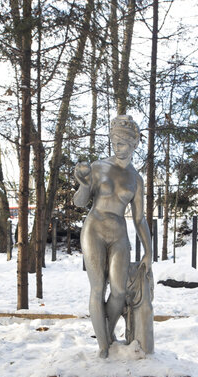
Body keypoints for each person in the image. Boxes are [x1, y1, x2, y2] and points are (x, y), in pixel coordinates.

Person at [74, 115, 153, 358]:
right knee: (98, 287)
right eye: (114, 141)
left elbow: (140, 219)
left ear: (134, 145)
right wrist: (83, 184)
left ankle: (107, 333)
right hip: (95, 227)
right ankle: (103, 347)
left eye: (122, 143)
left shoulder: (136, 179)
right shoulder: (98, 167)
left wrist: (149, 252)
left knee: (119, 290)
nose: (117, 147)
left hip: (119, 231)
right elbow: (79, 202)